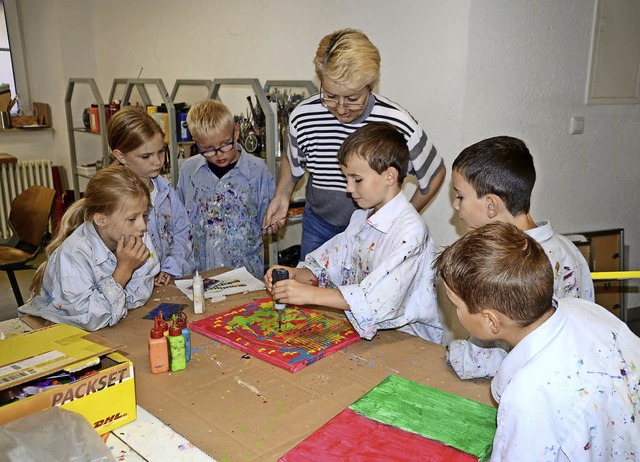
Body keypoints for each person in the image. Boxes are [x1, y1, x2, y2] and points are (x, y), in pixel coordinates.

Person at [435, 222, 640, 461]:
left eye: (456, 306)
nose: (455, 313)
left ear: (491, 321)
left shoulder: (528, 396)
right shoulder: (585, 309)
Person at [262, 28, 445, 259]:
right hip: (319, 226)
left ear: (371, 86)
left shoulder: (397, 121)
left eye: (352, 99)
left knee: (364, 294)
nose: (340, 108)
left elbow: (434, 173)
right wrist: (282, 195)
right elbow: (293, 160)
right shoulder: (303, 115)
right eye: (330, 95)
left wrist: (397, 218)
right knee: (309, 290)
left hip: (373, 233)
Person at [264, 122, 442, 342]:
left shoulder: (411, 232)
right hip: (369, 334)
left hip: (408, 340)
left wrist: (309, 294)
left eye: (357, 180)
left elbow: (378, 301)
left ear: (390, 176)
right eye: (346, 179)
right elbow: (330, 267)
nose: (349, 188)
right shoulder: (361, 218)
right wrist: (295, 275)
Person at [448, 135, 594, 379]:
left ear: (491, 206)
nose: (455, 205)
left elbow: (476, 363)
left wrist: (453, 352)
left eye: (460, 196)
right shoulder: (569, 248)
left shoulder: (499, 266)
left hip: (524, 385)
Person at [20, 166, 159, 331]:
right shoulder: (73, 254)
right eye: (132, 219)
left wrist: (113, 307)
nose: (142, 226)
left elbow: (140, 294)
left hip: (108, 327)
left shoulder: (137, 236)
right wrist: (124, 270)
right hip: (53, 329)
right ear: (101, 220)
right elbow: (88, 318)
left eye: (144, 215)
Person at [177, 99, 275, 278]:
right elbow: (181, 224)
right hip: (201, 275)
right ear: (196, 142)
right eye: (208, 149)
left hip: (246, 276)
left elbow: (265, 223)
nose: (219, 154)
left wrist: (272, 224)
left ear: (236, 132)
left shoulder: (258, 172)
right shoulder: (188, 172)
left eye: (224, 144)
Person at [108, 107, 195, 285]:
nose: (158, 161)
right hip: (130, 290)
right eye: (146, 156)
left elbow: (182, 232)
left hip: (169, 281)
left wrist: (171, 266)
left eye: (161, 152)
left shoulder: (166, 192)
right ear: (120, 156)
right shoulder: (112, 199)